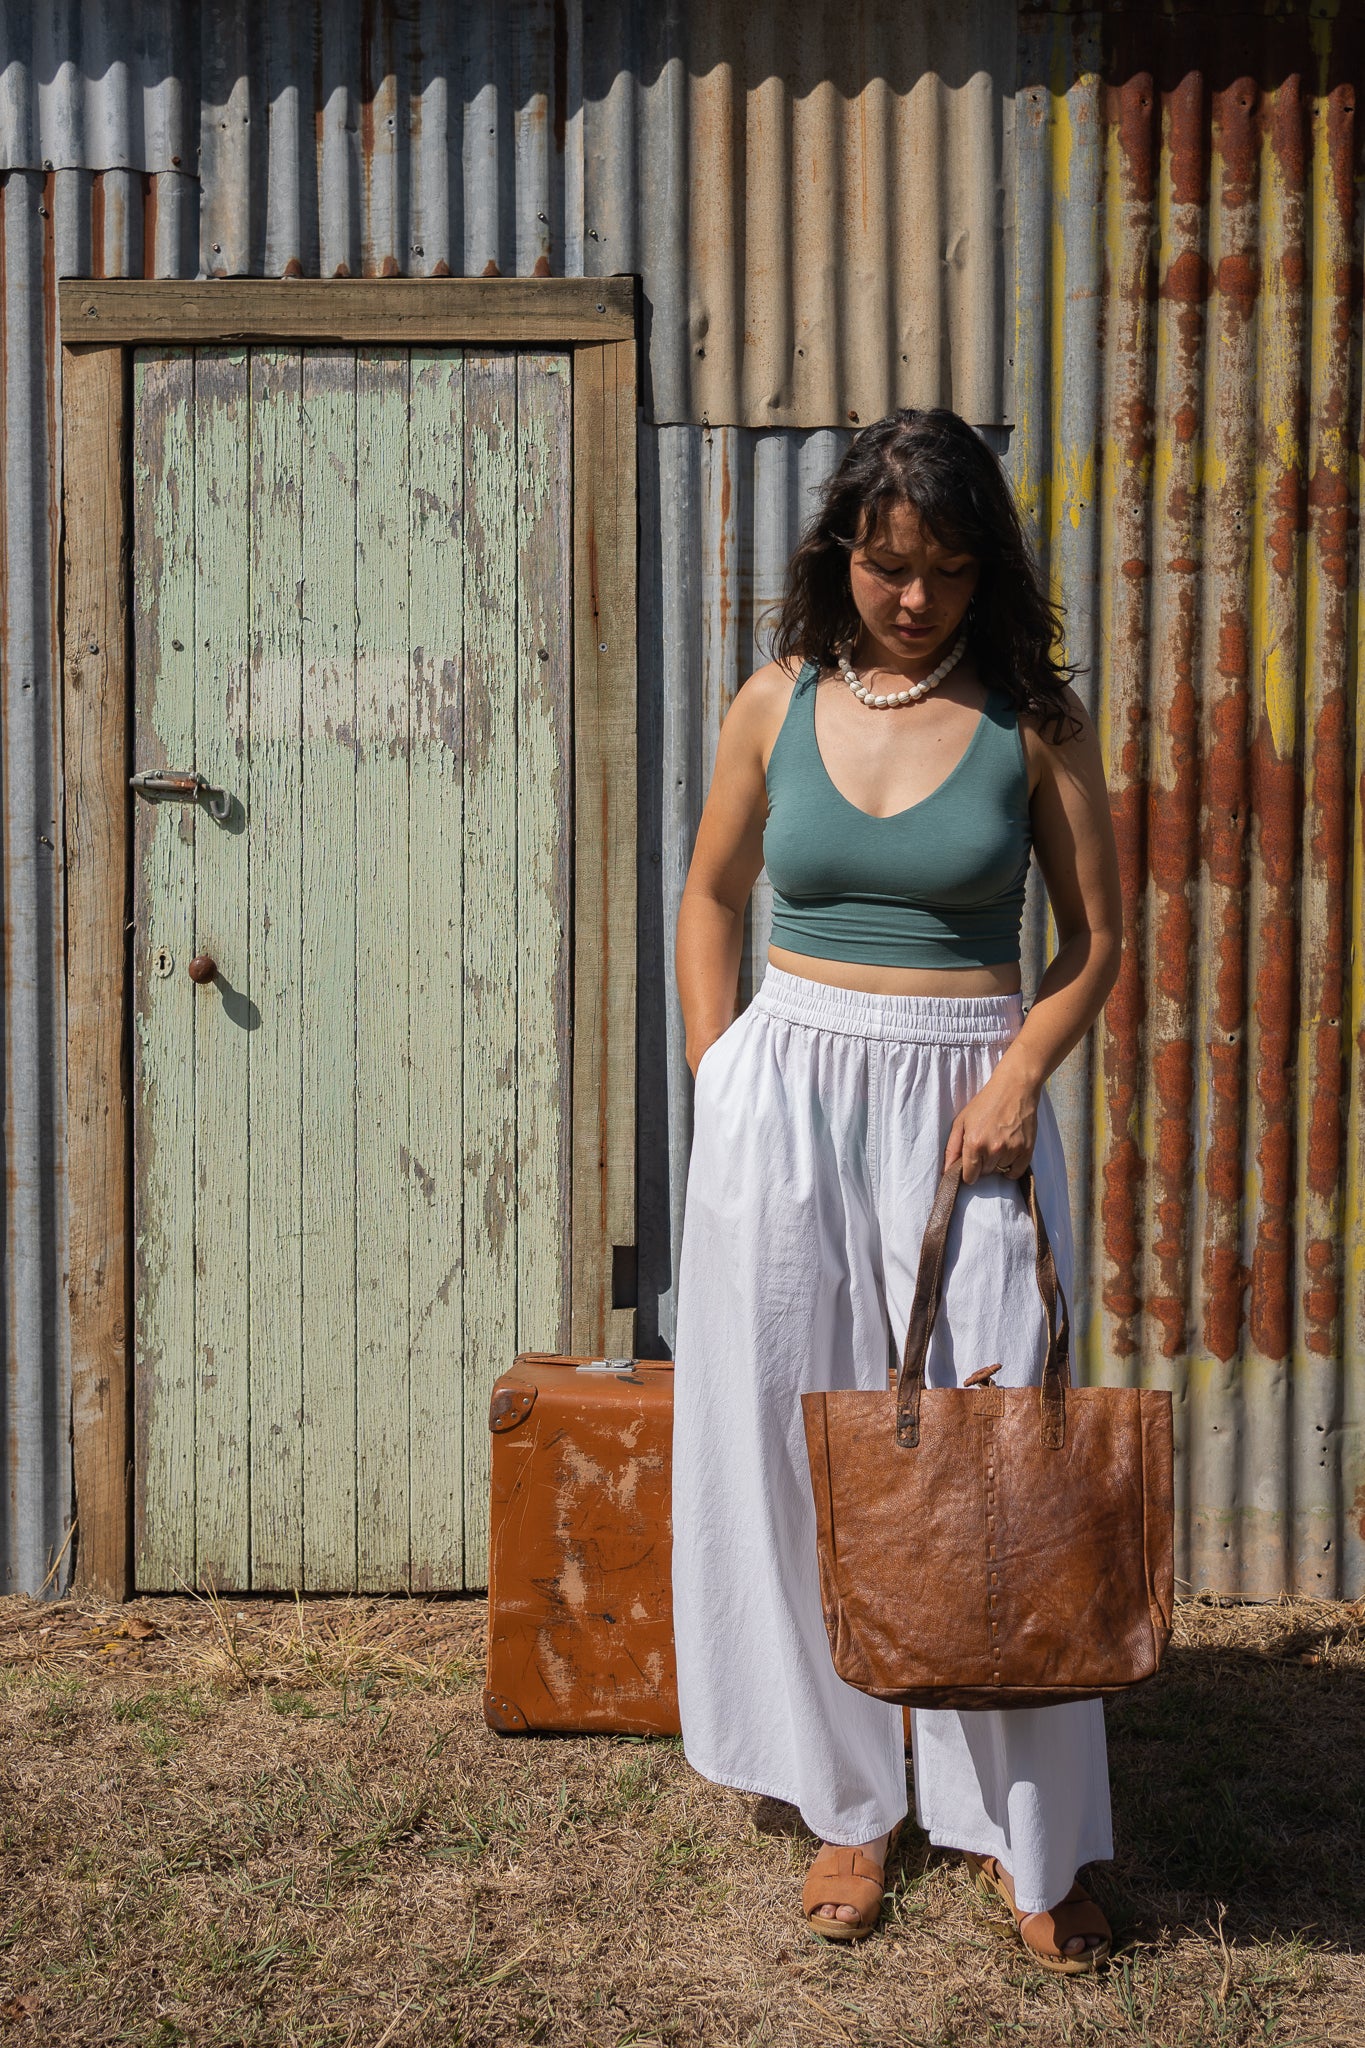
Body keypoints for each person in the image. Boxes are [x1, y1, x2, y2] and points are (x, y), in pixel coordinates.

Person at [670, 408, 1123, 1970]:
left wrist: (1018, 1074)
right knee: (795, 1437)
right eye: (885, 565)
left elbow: (1092, 940)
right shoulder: (775, 701)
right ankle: (846, 1797)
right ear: (841, 556)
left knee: (997, 1456)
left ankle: (1022, 1835)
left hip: (964, 1101)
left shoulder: (1031, 720)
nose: (912, 598)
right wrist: (721, 1073)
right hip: (784, 1092)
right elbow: (711, 893)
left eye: (943, 569)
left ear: (983, 569)